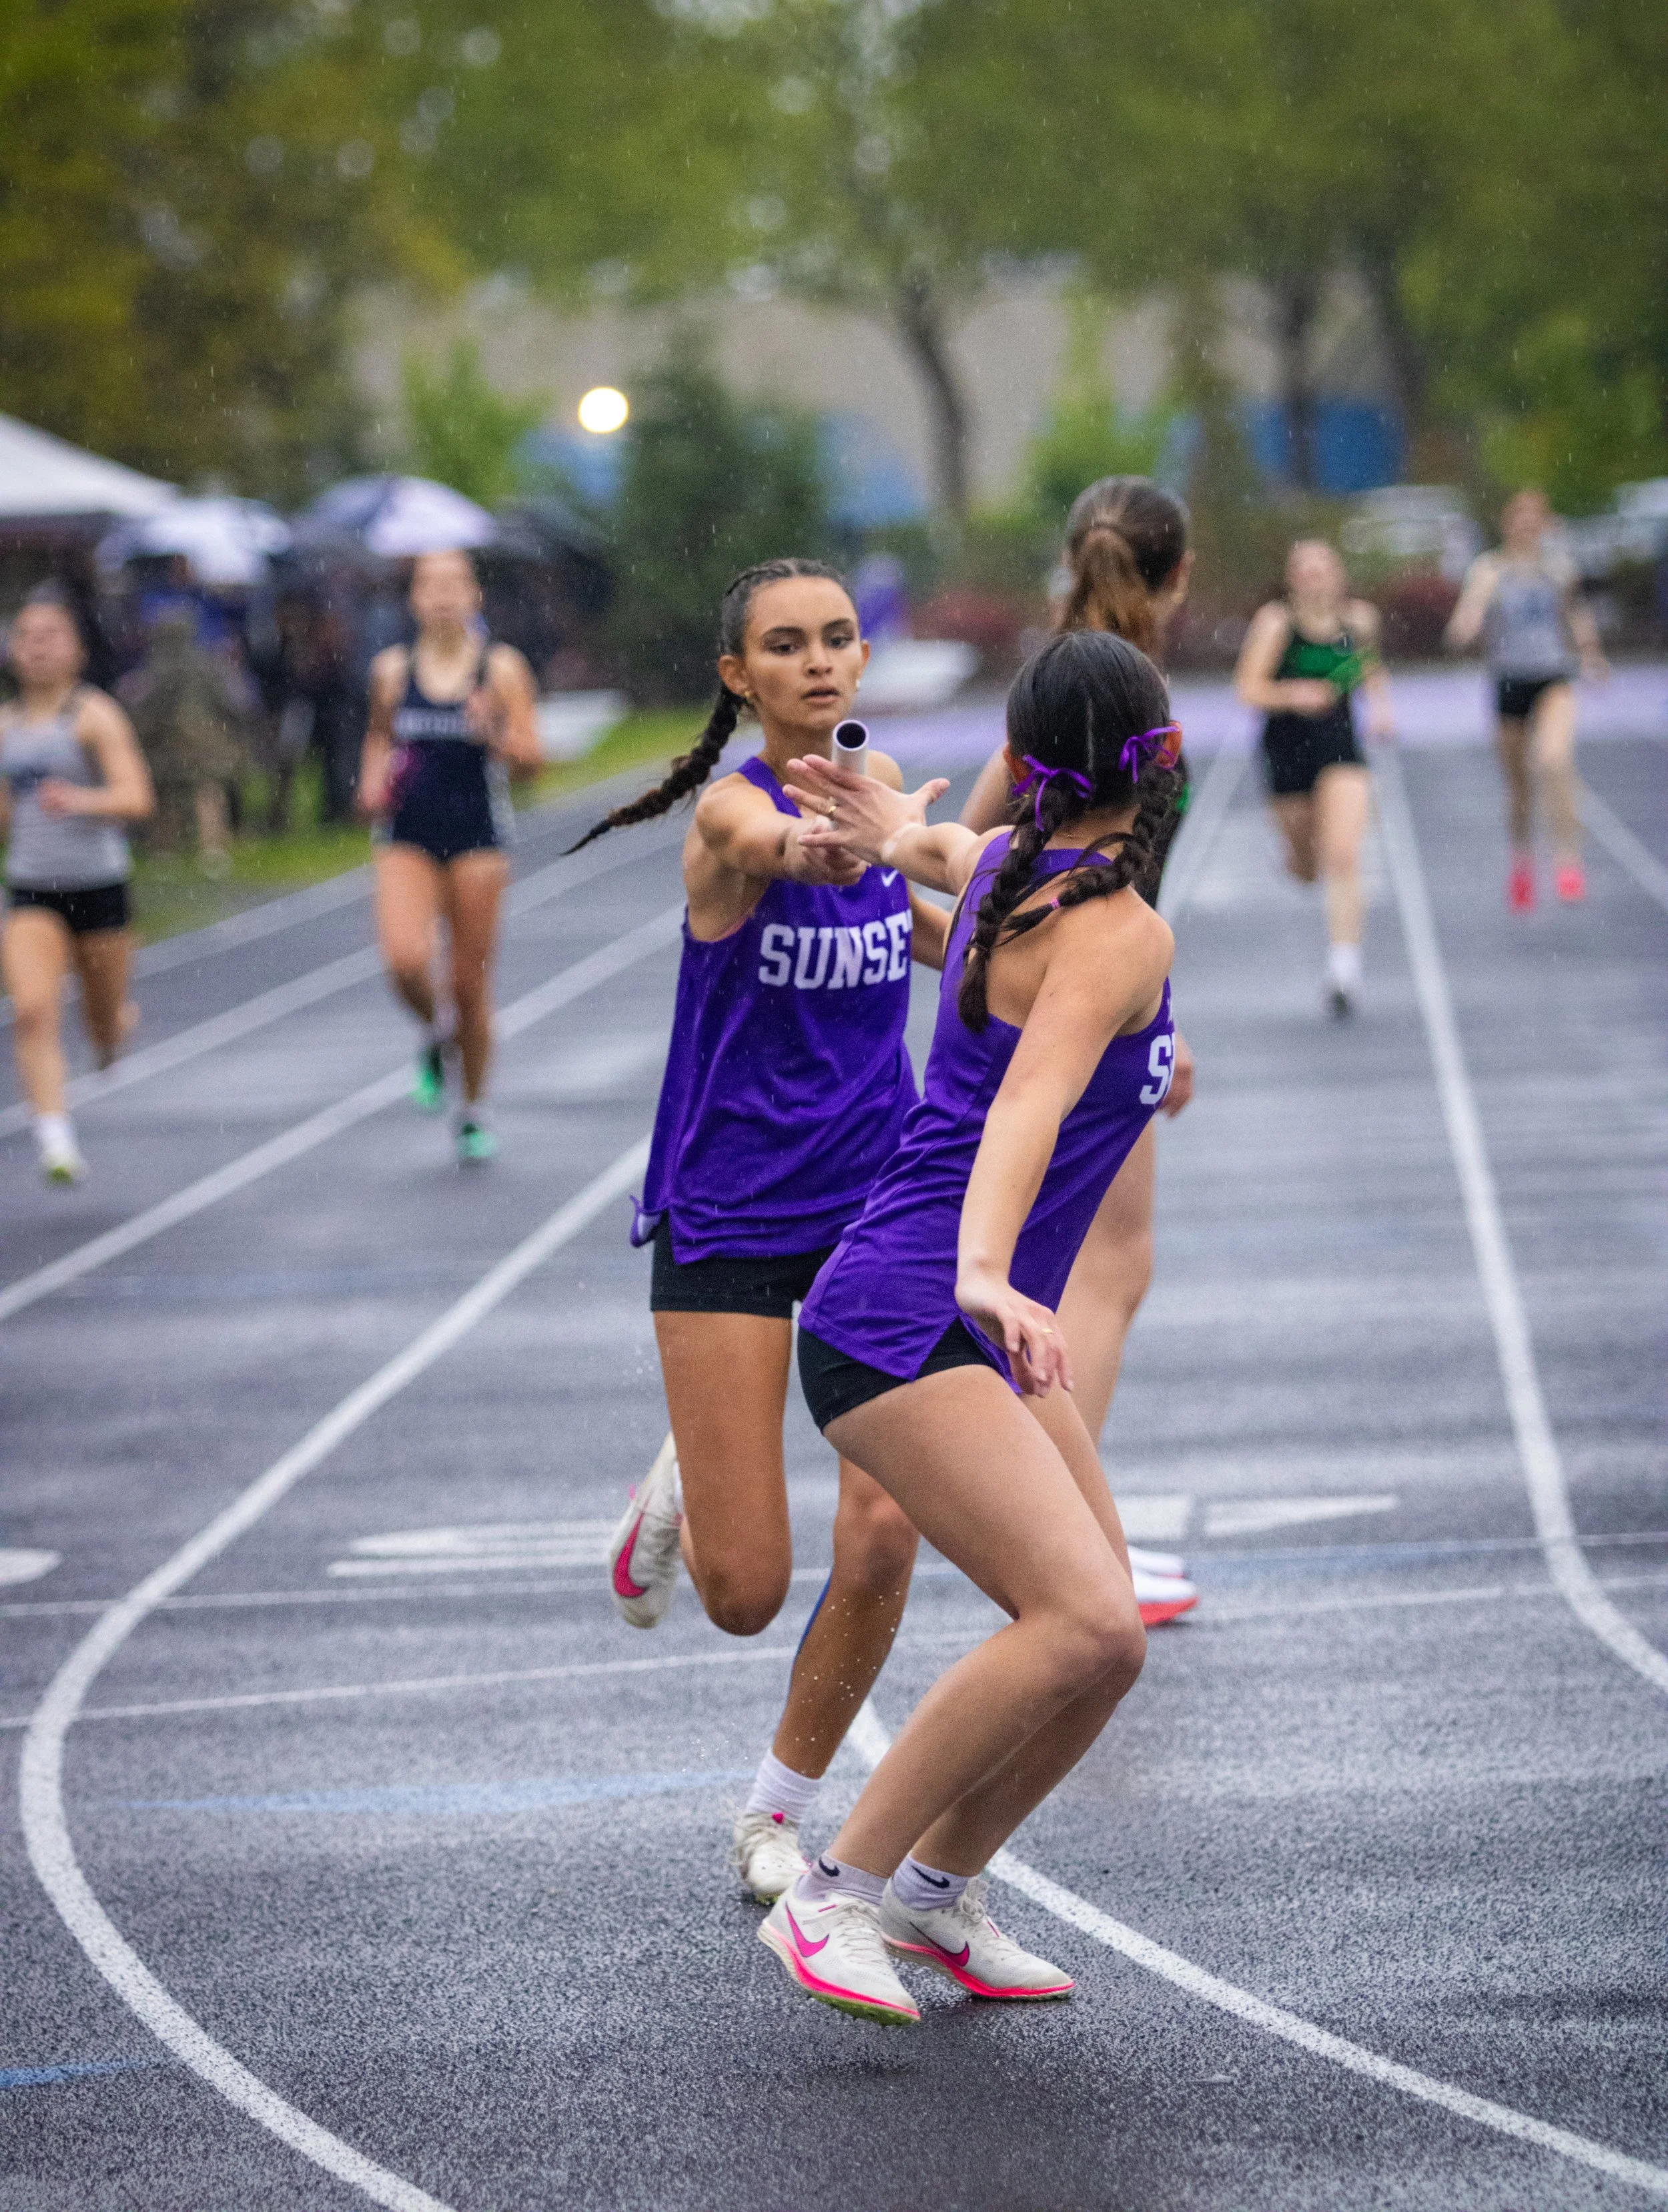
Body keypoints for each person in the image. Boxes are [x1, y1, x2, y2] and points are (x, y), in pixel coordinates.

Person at [756, 627, 1178, 2026]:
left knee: (1107, 1634)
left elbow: (935, 857)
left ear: (1031, 765)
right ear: (1162, 757)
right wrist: (989, 1271)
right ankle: (832, 1894)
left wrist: (882, 823)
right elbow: (1025, 1106)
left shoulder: (1013, 869)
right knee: (1070, 1616)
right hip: (910, 1307)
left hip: (935, 1308)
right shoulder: (1120, 928)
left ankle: (936, 1892)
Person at [575, 558, 950, 1909]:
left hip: (875, 1205)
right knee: (741, 1590)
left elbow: (916, 924)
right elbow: (783, 852)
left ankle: (774, 1814)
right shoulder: (729, 811)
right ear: (738, 673)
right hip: (732, 1212)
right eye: (785, 645)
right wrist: (852, 834)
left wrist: (1057, 961)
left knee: (887, 1533)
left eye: (837, 638)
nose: (818, 662)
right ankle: (686, 1462)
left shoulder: (882, 777)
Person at [959, 477, 1198, 1577]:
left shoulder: (1062, 680)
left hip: (1084, 995)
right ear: (1178, 577)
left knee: (1065, 1266)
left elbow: (971, 846)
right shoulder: (1122, 701)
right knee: (1099, 1267)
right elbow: (980, 848)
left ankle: (1067, 1521)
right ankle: (1071, 1528)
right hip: (1070, 1011)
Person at [358, 550, 540, 1164]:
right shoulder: (391, 669)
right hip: (407, 833)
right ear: (413, 598)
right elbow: (381, 733)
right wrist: (371, 779)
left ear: (475, 597)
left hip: (478, 836)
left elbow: (532, 762)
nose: (441, 596)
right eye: (429, 585)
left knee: (468, 983)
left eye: (454, 584)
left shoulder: (501, 668)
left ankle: (473, 1108)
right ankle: (436, 1034)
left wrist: (494, 731)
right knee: (406, 960)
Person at [1, 589, 154, 1184]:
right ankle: (56, 1140)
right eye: (26, 637)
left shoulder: (92, 716)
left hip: (98, 887)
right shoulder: (7, 726)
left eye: (51, 636)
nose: (38, 649)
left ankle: (115, 1028)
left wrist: (79, 800)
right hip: (31, 888)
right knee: (34, 1012)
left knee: (103, 1028)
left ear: (77, 650)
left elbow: (137, 798)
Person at [1235, 538, 1394, 1015]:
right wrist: (1294, 694)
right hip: (1287, 749)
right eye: (1303, 570)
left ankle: (1344, 970)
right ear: (1291, 579)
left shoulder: (1360, 620)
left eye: (1322, 568)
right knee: (1308, 870)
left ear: (1339, 575)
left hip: (1341, 747)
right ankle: (1289, 855)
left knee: (1343, 855)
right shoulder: (1276, 624)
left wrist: (1383, 709)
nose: (1314, 577)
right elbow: (1247, 688)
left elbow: (1369, 667)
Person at [1443, 488, 1607, 911]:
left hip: (1552, 677)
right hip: (1510, 682)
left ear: (1545, 523)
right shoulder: (1491, 569)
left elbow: (1575, 614)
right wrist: (1465, 627)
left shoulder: (1558, 568)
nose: (1527, 525)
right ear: (1507, 522)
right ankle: (1521, 860)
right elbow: (1472, 609)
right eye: (1520, 517)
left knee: (1554, 761)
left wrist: (1591, 654)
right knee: (1518, 788)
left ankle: (1568, 859)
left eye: (1536, 517)